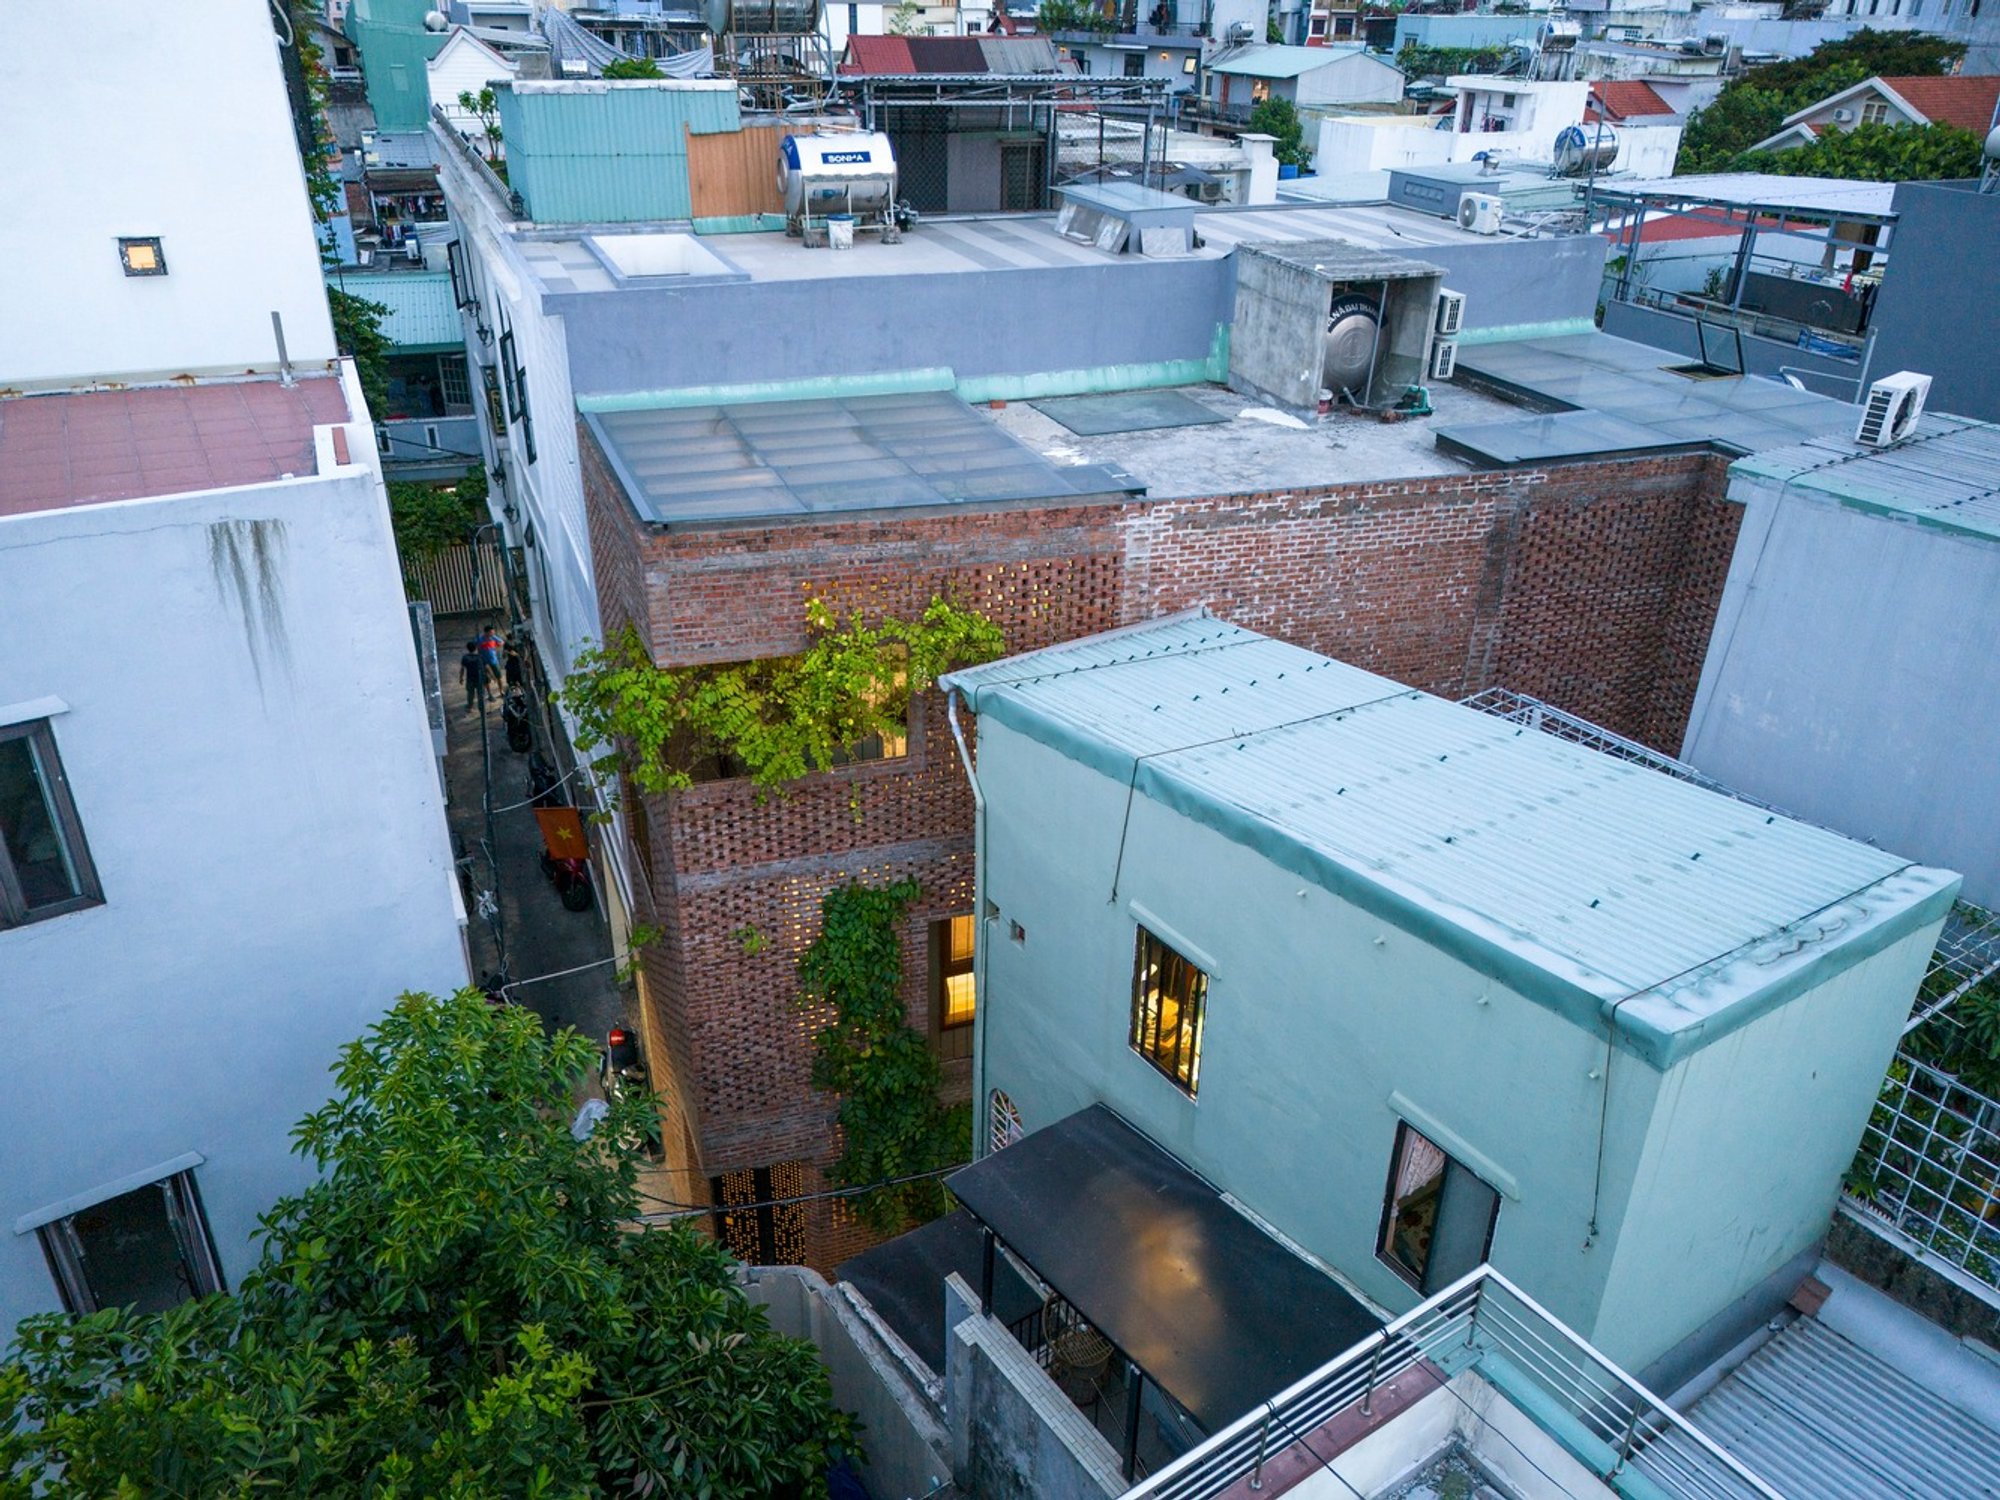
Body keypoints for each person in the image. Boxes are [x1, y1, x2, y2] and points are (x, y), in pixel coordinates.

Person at [459, 640, 488, 714]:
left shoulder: (465, 657)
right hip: (480, 679)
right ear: (476, 648)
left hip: (470, 678)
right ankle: (481, 708)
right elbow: (487, 667)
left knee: (470, 694)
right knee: (480, 694)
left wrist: (461, 678)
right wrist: (492, 676)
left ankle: (470, 707)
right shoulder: (480, 657)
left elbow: (462, 669)